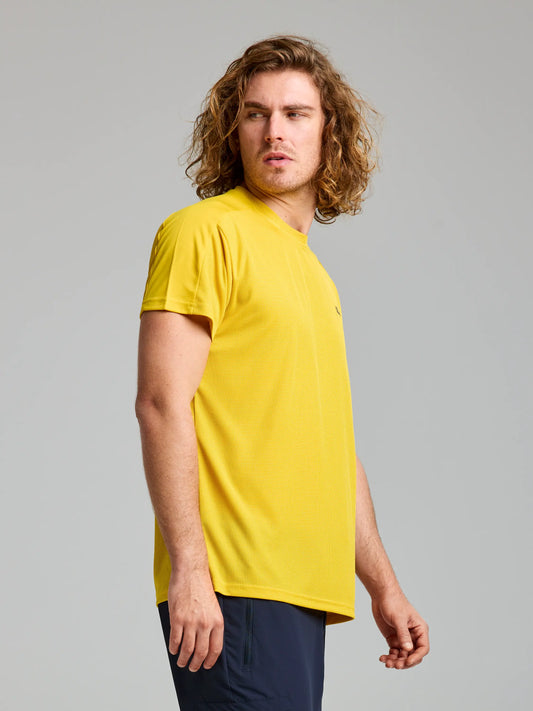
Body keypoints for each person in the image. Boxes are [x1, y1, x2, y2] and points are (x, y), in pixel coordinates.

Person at [136, 35, 429, 711]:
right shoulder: (203, 232)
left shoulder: (313, 274)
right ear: (231, 130)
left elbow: (332, 448)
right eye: (255, 113)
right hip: (233, 580)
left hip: (301, 588)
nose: (274, 131)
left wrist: (382, 585)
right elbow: (159, 403)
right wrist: (191, 570)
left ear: (330, 133)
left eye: (296, 114)